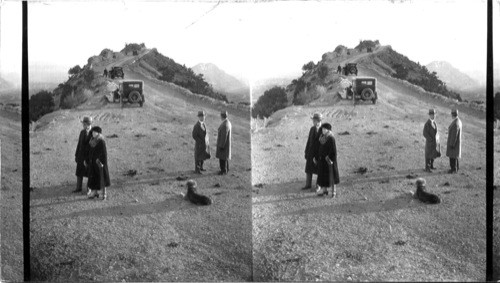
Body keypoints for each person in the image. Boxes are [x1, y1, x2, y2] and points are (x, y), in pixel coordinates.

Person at [316, 123, 340, 197]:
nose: (323, 130)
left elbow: (333, 150)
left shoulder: (331, 138)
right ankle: (324, 192)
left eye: (324, 129)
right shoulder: (322, 137)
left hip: (329, 161)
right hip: (322, 161)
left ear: (328, 130)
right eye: (322, 129)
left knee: (332, 176)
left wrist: (329, 158)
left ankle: (333, 192)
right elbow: (320, 148)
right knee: (323, 176)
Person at [87, 126, 111, 200]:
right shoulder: (92, 141)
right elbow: (90, 152)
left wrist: (101, 162)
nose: (93, 133)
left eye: (95, 132)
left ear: (98, 133)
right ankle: (94, 192)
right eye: (92, 132)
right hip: (93, 163)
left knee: (102, 178)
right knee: (94, 177)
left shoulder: (101, 141)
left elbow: (104, 153)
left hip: (99, 164)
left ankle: (104, 194)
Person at [302, 113, 322, 190]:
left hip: (318, 154)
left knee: (319, 169)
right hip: (310, 153)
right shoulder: (312, 129)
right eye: (313, 120)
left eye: (314, 120)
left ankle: (318, 186)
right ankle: (308, 184)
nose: (313, 122)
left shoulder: (323, 130)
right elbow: (309, 141)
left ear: (318, 121)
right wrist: (306, 151)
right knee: (308, 169)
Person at [73, 116, 93, 193]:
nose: (83, 125)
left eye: (84, 124)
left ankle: (89, 189)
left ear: (88, 124)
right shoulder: (82, 132)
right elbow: (79, 144)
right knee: (79, 172)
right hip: (81, 156)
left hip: (88, 157)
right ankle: (78, 187)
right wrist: (76, 155)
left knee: (89, 173)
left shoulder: (93, 133)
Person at [446, 109, 462, 174]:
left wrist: (451, 144)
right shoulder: (458, 121)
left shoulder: (455, 123)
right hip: (456, 143)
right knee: (455, 156)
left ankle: (453, 169)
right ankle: (456, 168)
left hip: (454, 143)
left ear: (452, 114)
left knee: (452, 157)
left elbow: (454, 135)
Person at [216, 111, 232, 175]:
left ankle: (223, 170)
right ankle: (226, 169)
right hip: (226, 145)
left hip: (223, 145)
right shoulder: (228, 122)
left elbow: (223, 137)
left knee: (222, 158)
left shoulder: (225, 125)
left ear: (222, 116)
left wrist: (221, 145)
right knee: (225, 158)